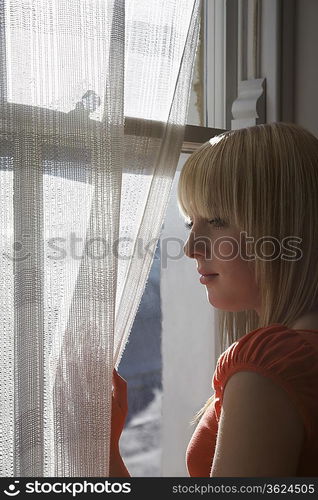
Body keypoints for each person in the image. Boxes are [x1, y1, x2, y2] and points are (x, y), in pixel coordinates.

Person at [110, 122, 318, 477]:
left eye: (218, 220)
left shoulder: (270, 364)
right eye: (192, 223)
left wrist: (106, 451)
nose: (191, 248)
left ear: (281, 226)